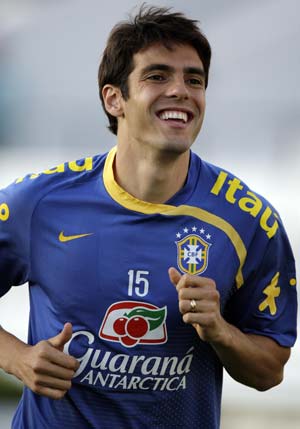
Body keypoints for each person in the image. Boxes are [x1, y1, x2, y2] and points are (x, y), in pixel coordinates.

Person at [0, 5, 297, 429]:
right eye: (157, 76)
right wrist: (18, 358)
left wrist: (219, 330)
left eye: (194, 80)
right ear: (114, 98)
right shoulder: (41, 202)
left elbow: (270, 371)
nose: (180, 90)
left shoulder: (248, 221)